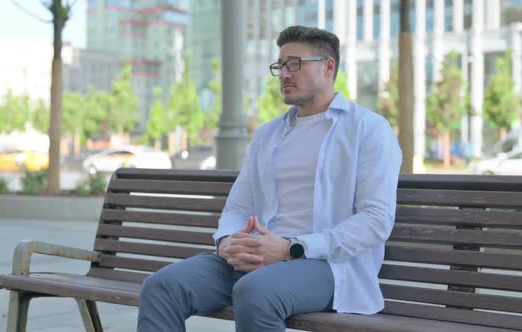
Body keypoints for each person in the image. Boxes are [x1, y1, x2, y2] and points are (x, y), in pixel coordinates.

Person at [137, 25, 402, 332]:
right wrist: (227, 243)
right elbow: (239, 206)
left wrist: (293, 247)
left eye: (295, 64)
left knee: (256, 292)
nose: (284, 75)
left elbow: (376, 219)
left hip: (327, 266)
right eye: (280, 66)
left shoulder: (367, 129)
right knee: (161, 287)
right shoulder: (269, 134)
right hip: (256, 260)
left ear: (329, 67)